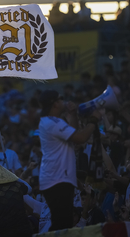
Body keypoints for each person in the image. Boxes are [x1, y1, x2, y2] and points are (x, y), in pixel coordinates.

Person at [38, 89, 99, 231]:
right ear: (54, 104)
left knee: (62, 222)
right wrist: (94, 120)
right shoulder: (52, 123)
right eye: (60, 99)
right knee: (62, 223)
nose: (63, 101)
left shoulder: (51, 121)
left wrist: (73, 115)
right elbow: (81, 138)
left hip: (57, 178)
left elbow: (72, 132)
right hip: (57, 179)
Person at [0, 165, 33, 237]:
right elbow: (29, 189)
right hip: (22, 226)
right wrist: (16, 178)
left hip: (4, 230)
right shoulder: (17, 186)